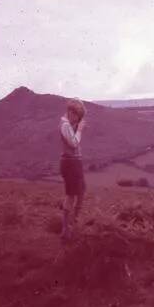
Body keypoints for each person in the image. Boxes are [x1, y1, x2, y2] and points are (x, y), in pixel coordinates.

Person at [59, 98, 86, 241]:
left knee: (81, 192)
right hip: (70, 164)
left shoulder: (69, 124)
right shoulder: (64, 125)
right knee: (71, 196)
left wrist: (76, 126)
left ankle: (73, 223)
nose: (78, 119)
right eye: (78, 116)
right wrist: (80, 130)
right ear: (71, 112)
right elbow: (74, 143)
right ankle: (66, 228)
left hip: (75, 163)